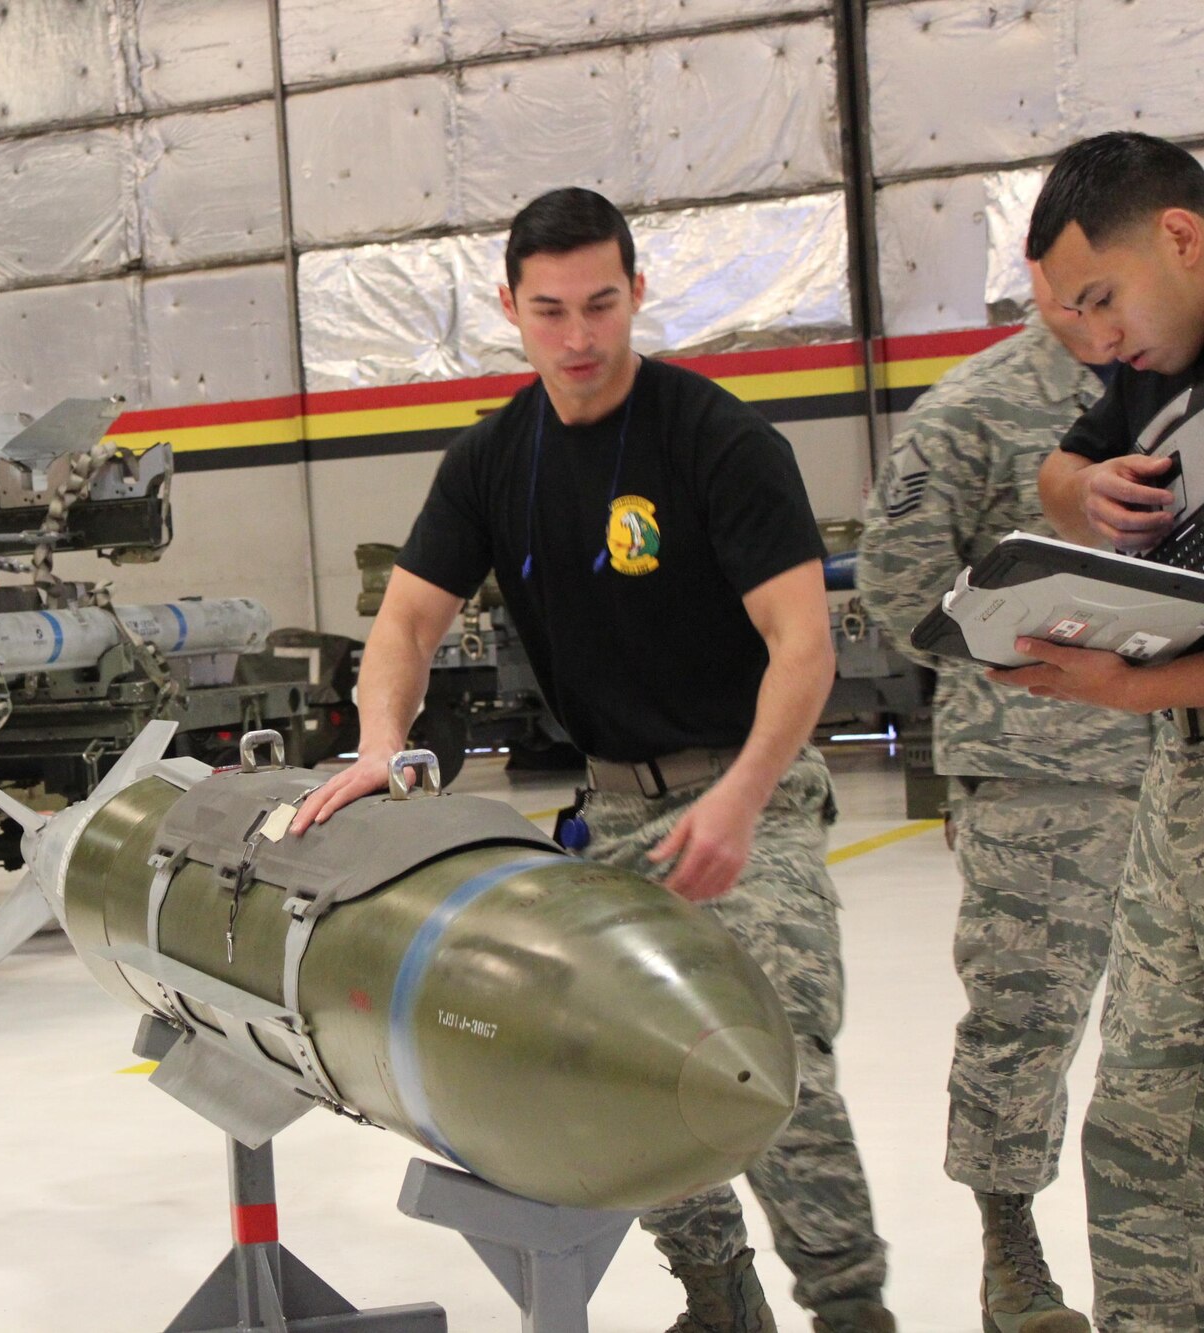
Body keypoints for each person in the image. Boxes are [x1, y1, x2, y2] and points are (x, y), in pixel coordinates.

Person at [292, 187, 892, 1332]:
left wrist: (741, 796)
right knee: (621, 1070)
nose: (579, 338)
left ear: (637, 294)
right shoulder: (491, 462)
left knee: (771, 1057)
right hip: (614, 809)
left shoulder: (716, 440)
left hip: (747, 784)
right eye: (551, 310)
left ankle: (851, 1311)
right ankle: (717, 1301)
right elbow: (406, 624)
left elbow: (801, 645)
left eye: (602, 305)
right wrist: (380, 745)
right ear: (510, 308)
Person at [857, 262, 1151, 1333]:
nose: (1104, 313)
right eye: (1080, 288)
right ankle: (1010, 1256)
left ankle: (1159, 1264)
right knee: (1024, 1021)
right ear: (1035, 278)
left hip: (1174, 748)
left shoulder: (1167, 386)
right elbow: (893, 586)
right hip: (1037, 772)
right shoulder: (971, 411)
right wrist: (1015, 635)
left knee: (1170, 1035)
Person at [996, 130, 1204, 1333]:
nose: (1094, 337)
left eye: (1098, 298)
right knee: (1141, 1123)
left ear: (1177, 236)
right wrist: (1084, 493)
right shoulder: (1157, 357)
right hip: (1183, 788)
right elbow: (1055, 467)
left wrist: (1134, 694)